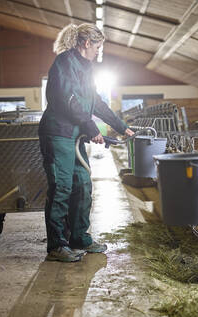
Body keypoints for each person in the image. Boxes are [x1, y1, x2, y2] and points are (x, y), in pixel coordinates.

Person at [39, 23, 134, 262]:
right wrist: (91, 128)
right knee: (61, 187)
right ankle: (56, 245)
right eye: (98, 46)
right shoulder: (64, 63)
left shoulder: (87, 68)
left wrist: (123, 127)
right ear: (87, 43)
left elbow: (96, 103)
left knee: (82, 185)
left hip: (74, 135)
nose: (99, 52)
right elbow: (69, 100)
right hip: (59, 133)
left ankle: (79, 237)